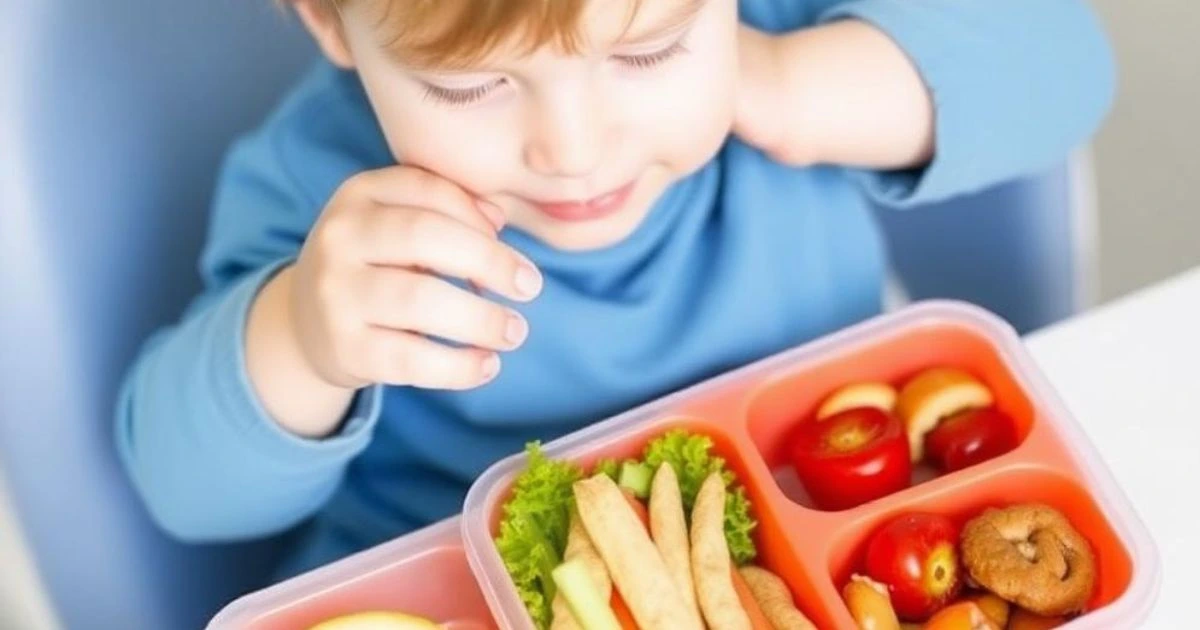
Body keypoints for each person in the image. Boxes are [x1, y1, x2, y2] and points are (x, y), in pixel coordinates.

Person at [115, 0, 1115, 580]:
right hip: (474, 577)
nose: (574, 149)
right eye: (469, 87)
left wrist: (784, 83)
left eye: (646, 50)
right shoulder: (316, 185)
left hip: (837, 523)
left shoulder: (774, 32)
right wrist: (299, 335)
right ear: (332, 18)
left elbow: (1069, 68)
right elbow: (179, 489)